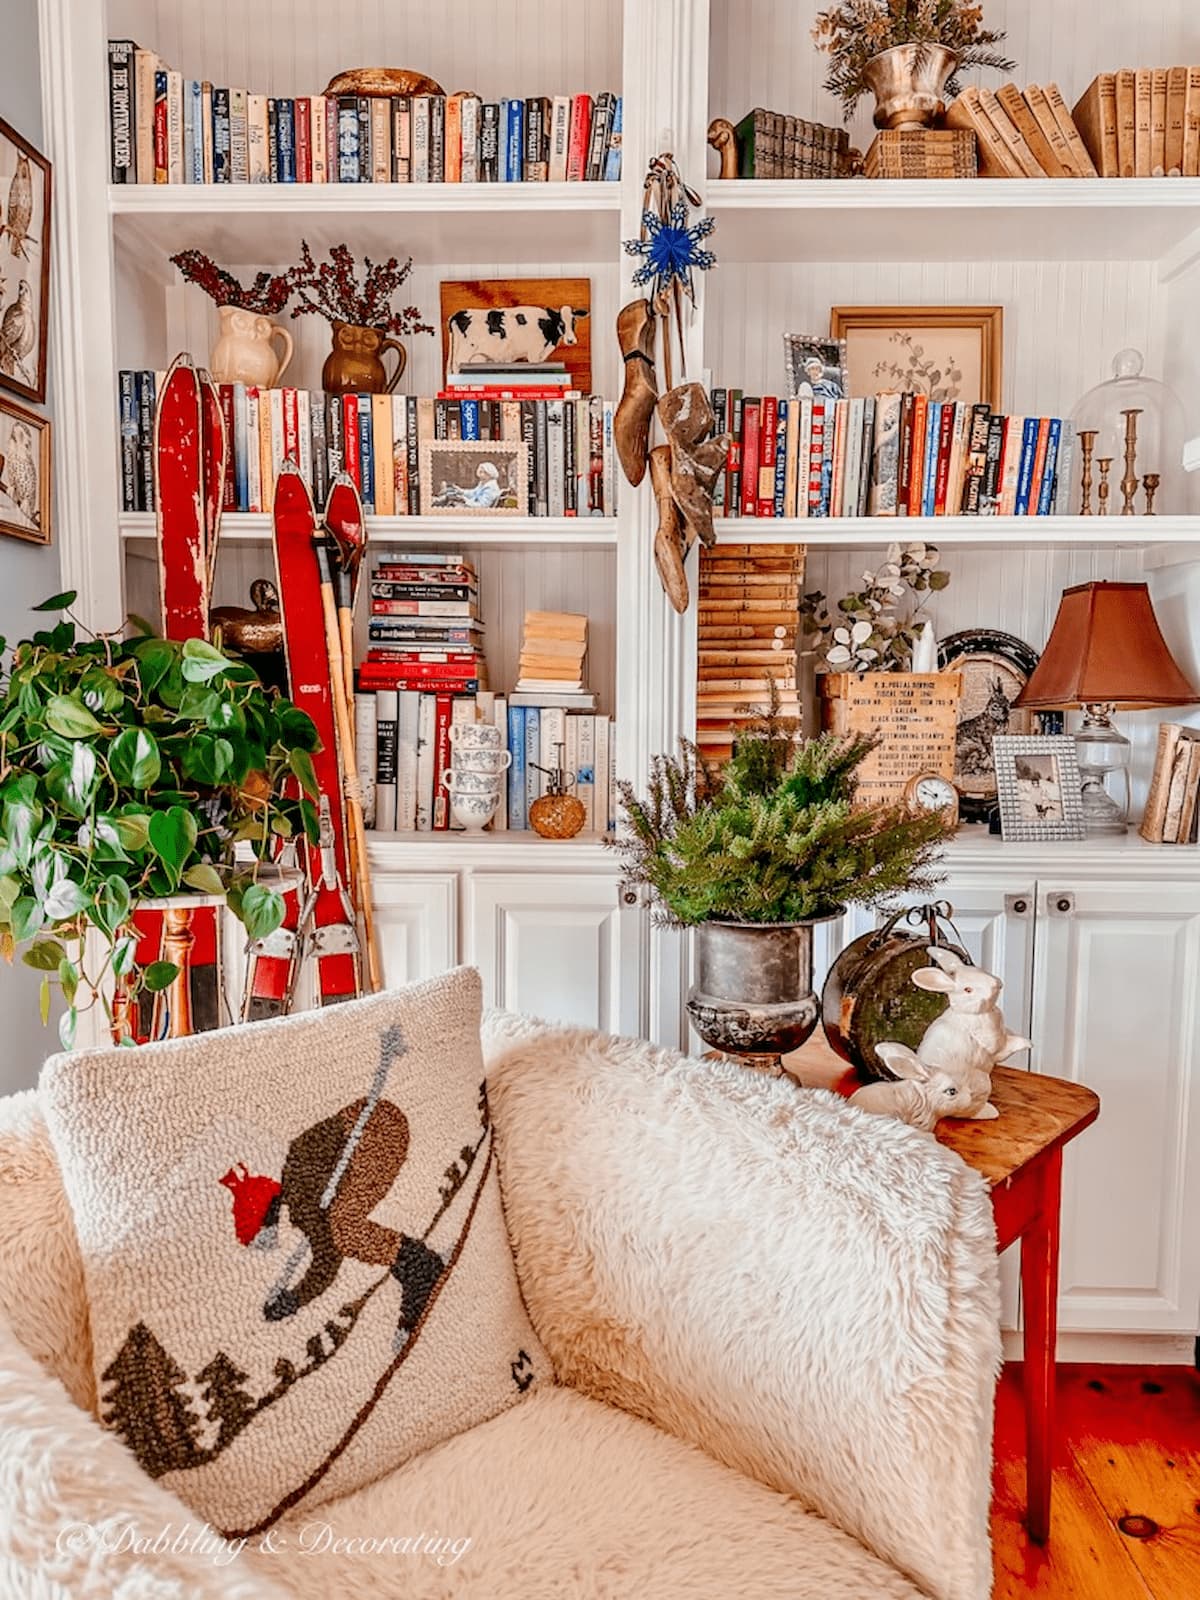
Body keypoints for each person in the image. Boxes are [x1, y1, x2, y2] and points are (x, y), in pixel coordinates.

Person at [435, 460, 502, 509]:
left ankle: (437, 503)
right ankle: (438, 500)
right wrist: (461, 491)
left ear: (490, 474)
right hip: (471, 504)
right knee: (451, 494)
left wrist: (465, 501)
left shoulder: (491, 488)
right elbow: (474, 493)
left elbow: (482, 506)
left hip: (474, 510)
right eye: (480, 471)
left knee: (451, 501)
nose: (480, 474)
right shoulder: (484, 483)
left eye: (483, 472)